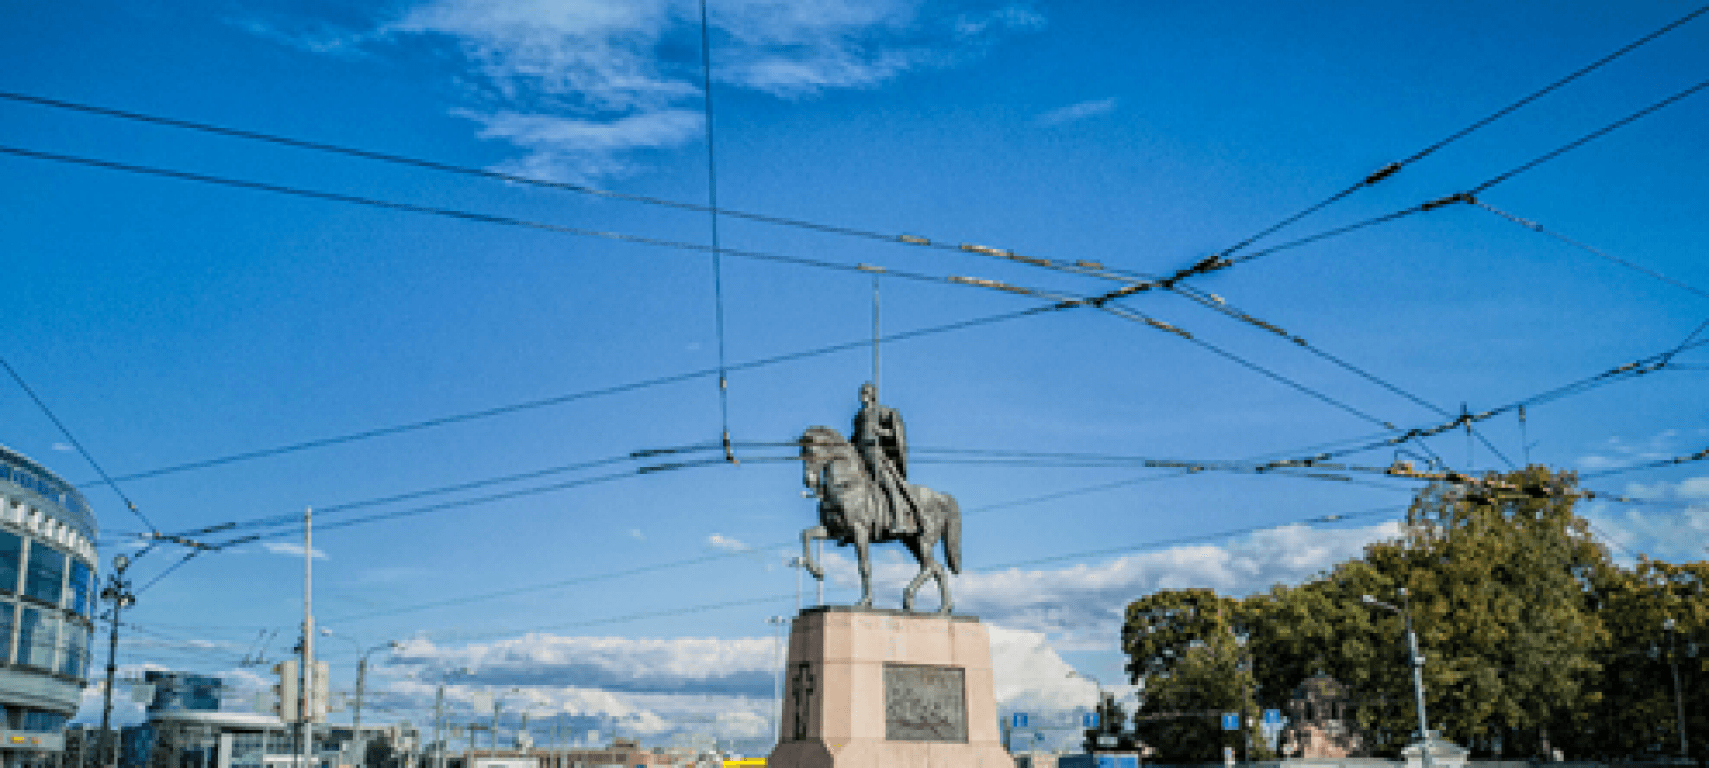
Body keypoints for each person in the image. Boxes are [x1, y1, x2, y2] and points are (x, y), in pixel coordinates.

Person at [851, 382, 919, 534]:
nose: (863, 396)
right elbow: (855, 437)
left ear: (872, 395)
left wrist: (879, 431)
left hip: (875, 454)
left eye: (866, 393)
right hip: (859, 456)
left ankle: (900, 520)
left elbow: (894, 433)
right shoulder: (858, 417)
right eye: (861, 393)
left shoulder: (880, 411)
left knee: (888, 484)